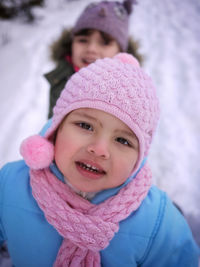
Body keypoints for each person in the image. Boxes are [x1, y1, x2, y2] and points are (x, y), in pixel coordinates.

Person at [0, 53, 199, 266]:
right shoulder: (11, 185)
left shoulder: (158, 221)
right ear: (57, 129)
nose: (99, 149)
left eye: (123, 140)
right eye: (85, 126)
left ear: (138, 158)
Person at [45, 0, 143, 118]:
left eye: (104, 43)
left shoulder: (128, 93)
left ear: (121, 51)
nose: (91, 49)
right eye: (83, 40)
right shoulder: (60, 79)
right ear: (71, 44)